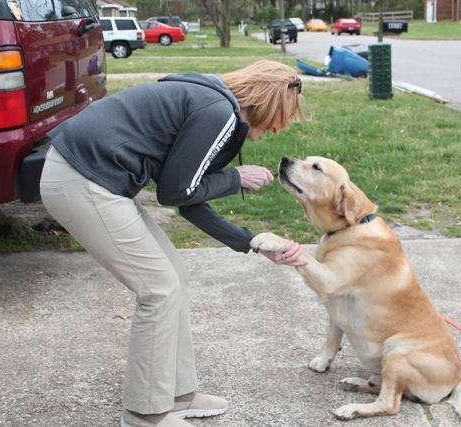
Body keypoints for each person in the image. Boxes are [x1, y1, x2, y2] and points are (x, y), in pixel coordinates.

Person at [39, 60, 307, 427]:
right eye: (283, 115)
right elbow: (176, 191)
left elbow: (187, 199)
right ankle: (144, 414)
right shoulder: (217, 112)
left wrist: (254, 242)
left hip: (89, 177)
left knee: (174, 277)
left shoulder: (210, 102)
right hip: (82, 180)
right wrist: (235, 178)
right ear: (268, 102)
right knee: (159, 289)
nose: (280, 127)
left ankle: (178, 395)